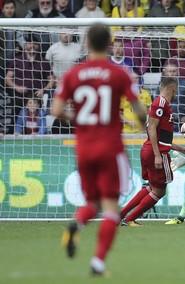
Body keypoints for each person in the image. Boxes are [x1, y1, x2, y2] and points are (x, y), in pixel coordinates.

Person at [54, 23, 147, 276]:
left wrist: (81, 119)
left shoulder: (74, 74)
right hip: (110, 147)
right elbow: (137, 107)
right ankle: (98, 262)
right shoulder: (119, 73)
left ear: (86, 43)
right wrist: (143, 123)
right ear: (109, 44)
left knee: (92, 203)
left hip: (84, 148)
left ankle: (77, 222)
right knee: (111, 208)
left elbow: (56, 110)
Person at [120, 77, 185, 226]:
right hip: (155, 152)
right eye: (176, 90)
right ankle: (129, 219)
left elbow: (162, 137)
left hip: (150, 149)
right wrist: (158, 155)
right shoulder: (160, 103)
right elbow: (151, 128)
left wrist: (181, 149)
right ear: (173, 88)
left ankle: (121, 215)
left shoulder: (163, 104)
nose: (176, 93)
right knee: (159, 191)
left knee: (152, 187)